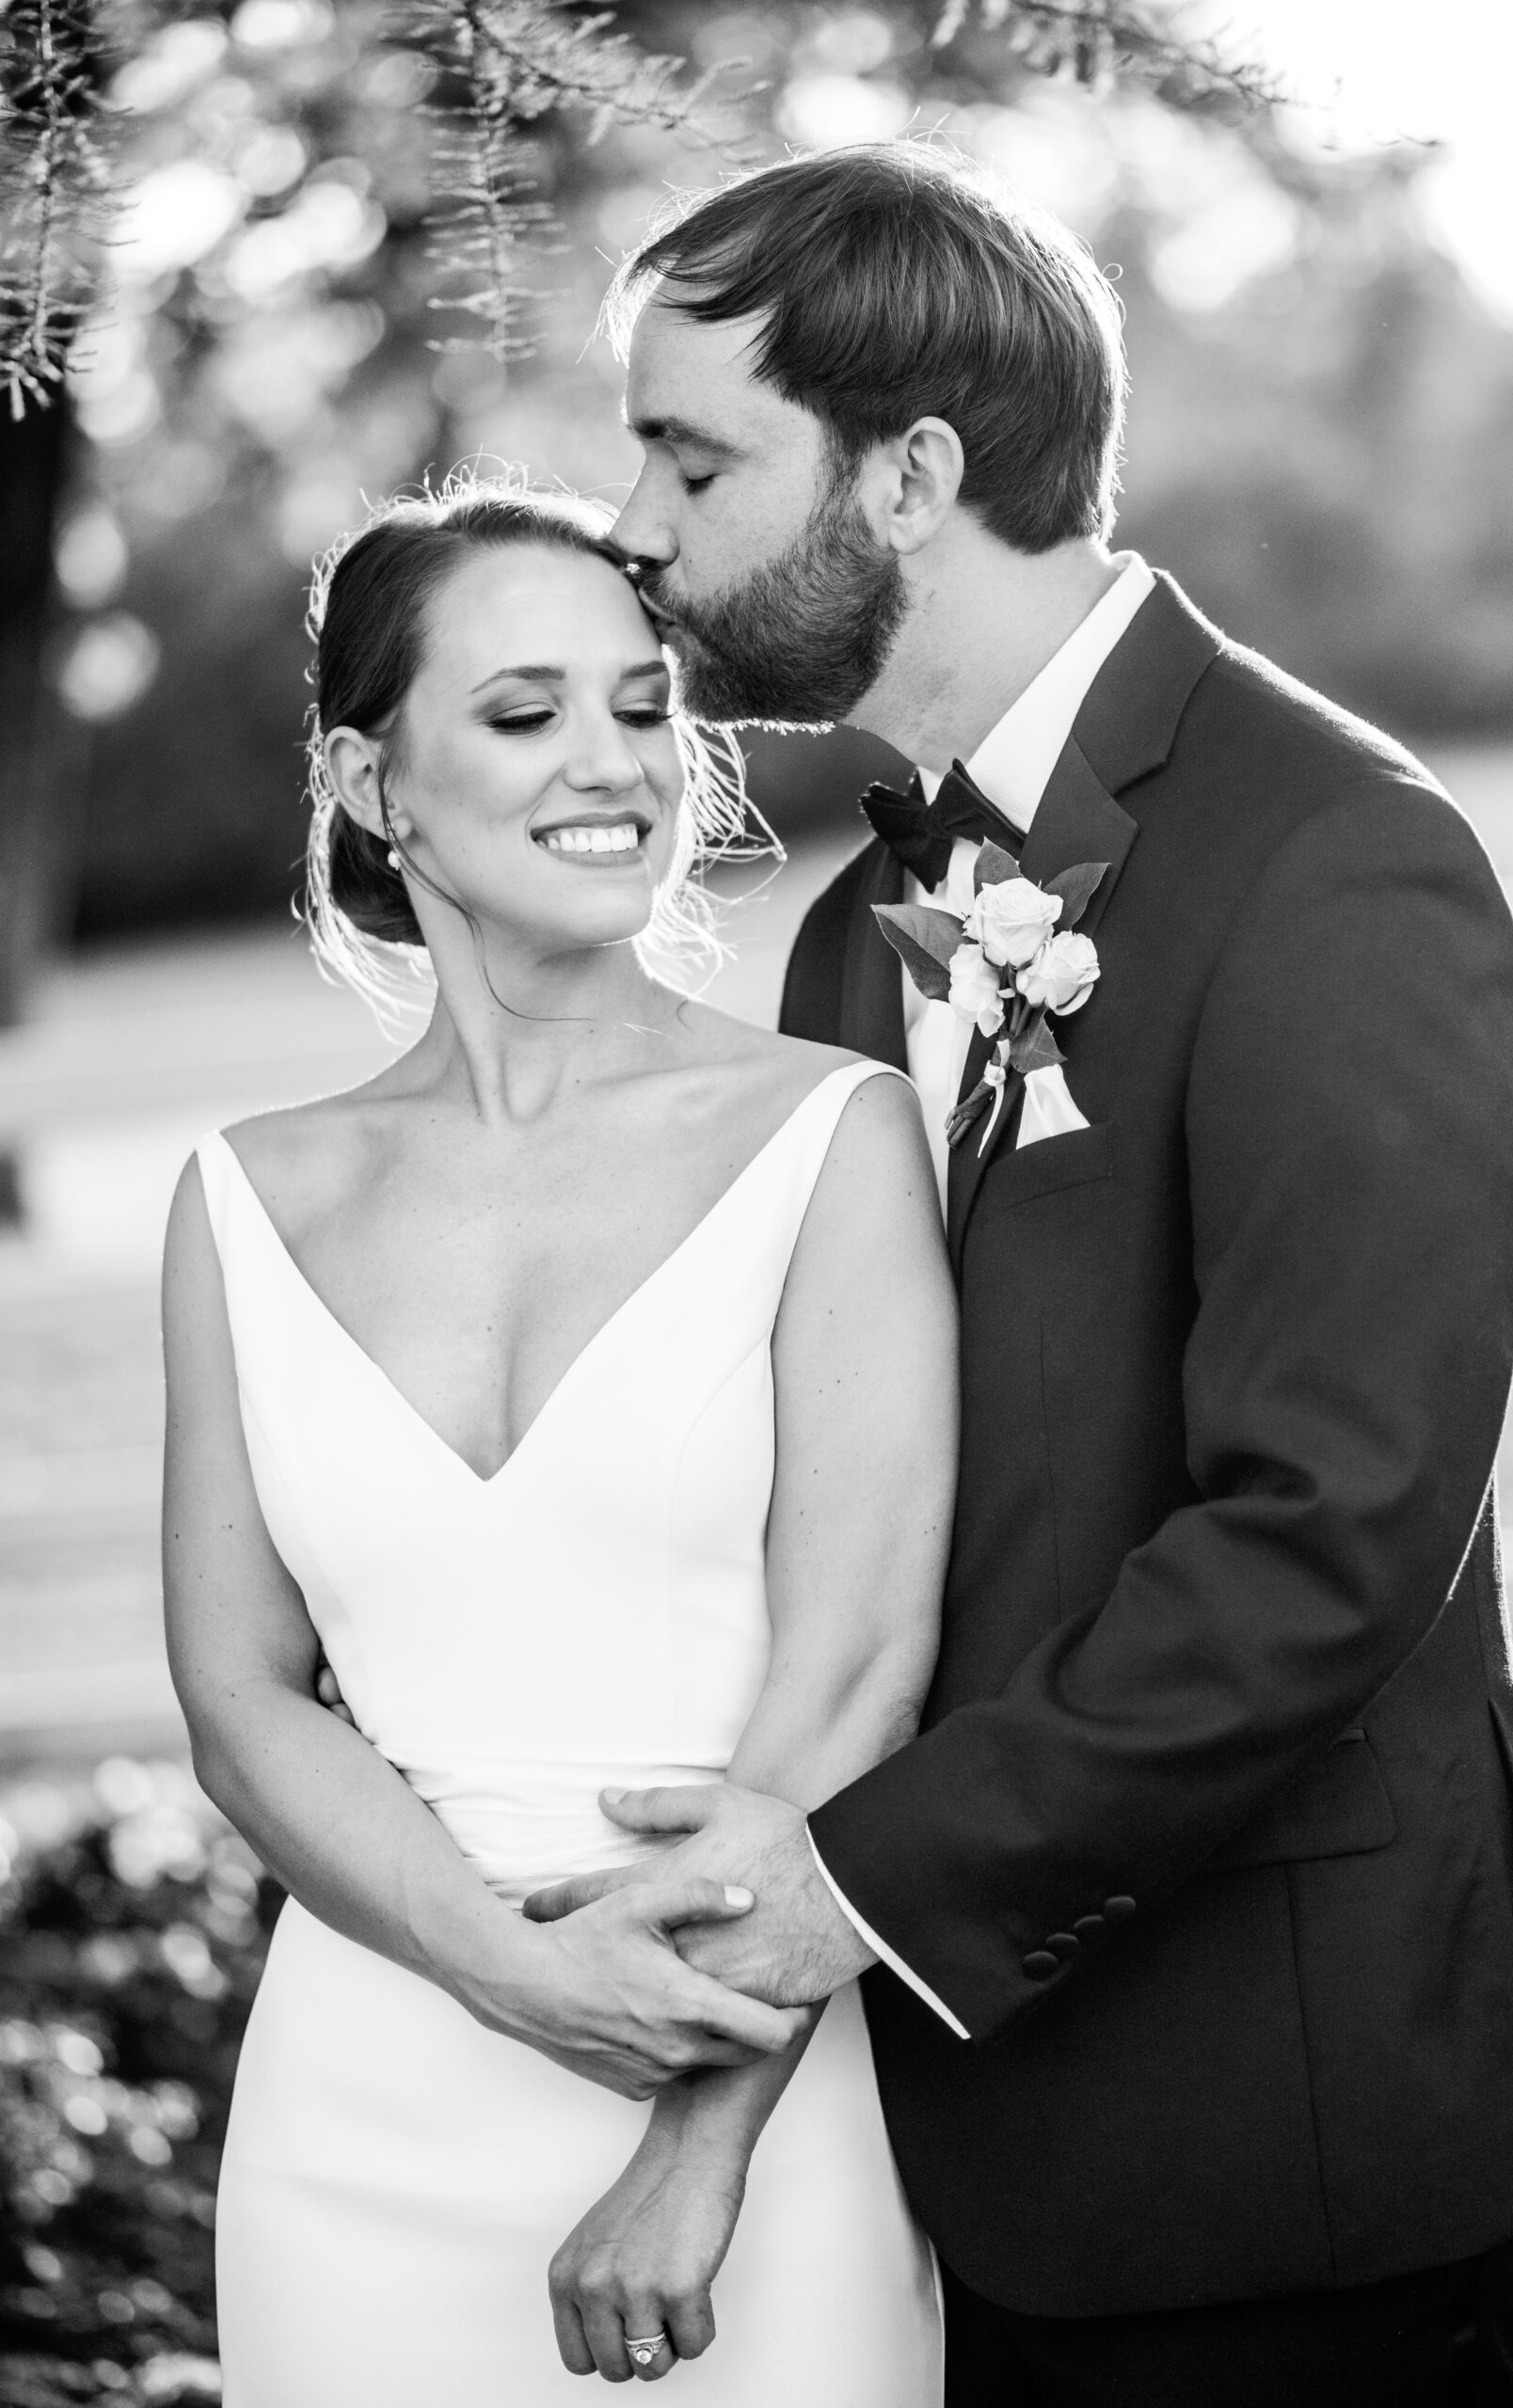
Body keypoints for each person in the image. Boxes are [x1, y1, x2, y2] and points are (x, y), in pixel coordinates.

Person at [524, 143, 1513, 2403]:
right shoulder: (856, 921)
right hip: (956, 2147)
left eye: (693, 453)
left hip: (1278, 2132)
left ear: (911, 472)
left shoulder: (1334, 853)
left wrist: (856, 1889)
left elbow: (1330, 1535)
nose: (633, 524)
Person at [160, 476, 952, 2404]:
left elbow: (858, 1675)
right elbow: (240, 1697)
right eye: (522, 715)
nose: (611, 766)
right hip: (362, 2108)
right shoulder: (242, 1194)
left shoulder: (829, 1135)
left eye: (639, 706)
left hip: (743, 2083)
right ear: (372, 780)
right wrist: (489, 1953)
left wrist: (702, 2121)